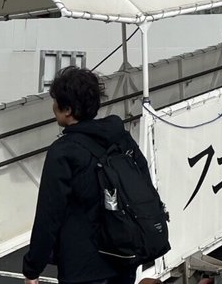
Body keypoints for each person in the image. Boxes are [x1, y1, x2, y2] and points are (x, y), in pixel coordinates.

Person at [23, 67, 150, 284]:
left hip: (82, 268)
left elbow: (49, 215)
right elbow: (144, 186)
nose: (52, 107)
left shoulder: (63, 152)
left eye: (55, 102)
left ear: (68, 110)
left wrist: (32, 269)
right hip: (123, 258)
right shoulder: (121, 138)